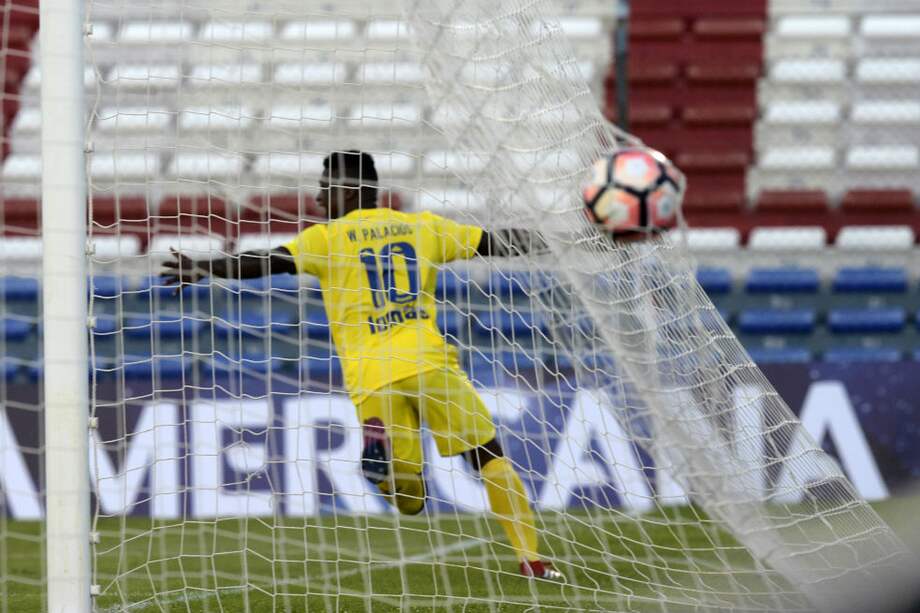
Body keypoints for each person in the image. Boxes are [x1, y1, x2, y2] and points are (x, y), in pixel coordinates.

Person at [164, 150, 561, 581]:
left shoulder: (326, 239)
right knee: (487, 456)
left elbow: (266, 261)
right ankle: (532, 559)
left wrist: (206, 267)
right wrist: (562, 239)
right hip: (429, 364)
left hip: (372, 377)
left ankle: (382, 469)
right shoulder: (421, 227)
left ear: (349, 190)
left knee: (410, 502)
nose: (317, 199)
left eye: (324, 188)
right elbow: (496, 242)